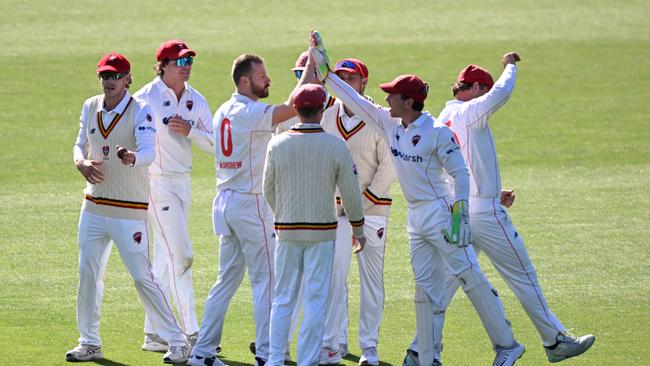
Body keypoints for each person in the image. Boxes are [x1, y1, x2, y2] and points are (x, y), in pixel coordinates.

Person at [310, 36, 525, 366]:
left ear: (408, 102)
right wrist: (322, 63)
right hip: (416, 220)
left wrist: (460, 214)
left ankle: (507, 344)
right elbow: (350, 96)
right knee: (424, 294)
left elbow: (462, 174)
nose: (385, 97)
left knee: (470, 278)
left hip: (442, 215)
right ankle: (426, 358)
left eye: (392, 94)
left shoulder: (438, 131)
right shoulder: (388, 120)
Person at [405, 53, 595, 365]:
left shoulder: (443, 116)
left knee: (446, 284)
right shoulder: (471, 110)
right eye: (483, 88)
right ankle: (555, 340)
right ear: (476, 87)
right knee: (523, 275)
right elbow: (500, 94)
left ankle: (419, 351)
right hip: (485, 215)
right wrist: (510, 66)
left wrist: (492, 189)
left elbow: (454, 167)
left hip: (461, 211)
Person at [187, 53, 311, 366]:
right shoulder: (250, 112)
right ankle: (269, 354)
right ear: (245, 80)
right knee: (266, 282)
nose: (268, 79)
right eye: (262, 76)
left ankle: (202, 353)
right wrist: (313, 68)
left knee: (225, 281)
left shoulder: (223, 111)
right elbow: (296, 106)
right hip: (250, 202)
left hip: (226, 202)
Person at [67, 52, 190, 364]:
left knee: (142, 276)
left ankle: (177, 341)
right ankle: (89, 342)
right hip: (93, 206)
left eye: (116, 76)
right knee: (87, 273)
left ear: (128, 79)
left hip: (129, 209)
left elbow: (149, 151)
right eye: (106, 76)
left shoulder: (141, 111)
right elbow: (80, 143)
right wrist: (80, 162)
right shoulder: (90, 105)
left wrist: (132, 157)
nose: (110, 82)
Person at [263, 83, 367, 366]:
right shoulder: (335, 145)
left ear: (295, 109)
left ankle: (274, 359)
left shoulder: (277, 143)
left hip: (287, 230)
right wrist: (358, 229)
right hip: (322, 233)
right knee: (315, 299)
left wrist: (283, 214)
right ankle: (307, 361)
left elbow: (268, 189)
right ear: (322, 110)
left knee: (283, 298)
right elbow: (351, 193)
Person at [133, 39, 214, 352]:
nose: (187, 67)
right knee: (182, 256)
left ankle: (154, 333)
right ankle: (190, 333)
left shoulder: (196, 99)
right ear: (162, 65)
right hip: (156, 183)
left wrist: (190, 131)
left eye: (189, 61)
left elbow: (219, 144)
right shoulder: (144, 99)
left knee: (166, 261)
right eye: (180, 62)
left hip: (183, 182)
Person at [318, 58, 396, 366]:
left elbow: (388, 169)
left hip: (373, 211)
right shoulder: (325, 116)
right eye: (341, 77)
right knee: (335, 276)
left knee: (371, 282)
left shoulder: (380, 118)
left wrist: (358, 210)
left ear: (364, 83)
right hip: (335, 213)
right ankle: (334, 342)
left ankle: (369, 348)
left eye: (353, 77)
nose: (347, 82)